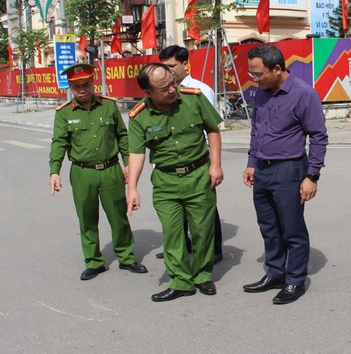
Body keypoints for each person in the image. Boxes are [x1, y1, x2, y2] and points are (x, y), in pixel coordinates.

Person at [126, 63, 223, 302]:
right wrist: (132, 189)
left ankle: (202, 276)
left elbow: (213, 130)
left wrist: (216, 164)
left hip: (199, 175)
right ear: (148, 93)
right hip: (166, 182)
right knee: (172, 233)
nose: (172, 89)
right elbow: (137, 154)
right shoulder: (139, 116)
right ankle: (181, 281)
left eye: (172, 82)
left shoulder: (194, 99)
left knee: (202, 231)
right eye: (164, 88)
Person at [242, 44, 328, 305]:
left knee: (291, 228)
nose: (254, 79)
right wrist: (251, 162)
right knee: (268, 226)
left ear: (277, 69)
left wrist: (312, 176)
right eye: (252, 74)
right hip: (263, 170)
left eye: (258, 74)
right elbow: (257, 130)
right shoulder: (262, 93)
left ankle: (295, 280)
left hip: (290, 169)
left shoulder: (303, 94)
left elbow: (319, 137)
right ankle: (276, 272)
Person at [48, 63, 147, 281]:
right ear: (71, 88)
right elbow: (59, 143)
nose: (81, 90)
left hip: (110, 170)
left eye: (85, 85)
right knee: (87, 219)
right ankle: (93, 262)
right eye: (76, 87)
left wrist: (128, 163)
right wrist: (54, 171)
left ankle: (126, 257)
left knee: (119, 216)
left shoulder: (109, 106)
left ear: (93, 83)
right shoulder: (64, 113)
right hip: (83, 173)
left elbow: (122, 136)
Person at [158, 45, 223, 264]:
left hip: (198, 158)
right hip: (174, 159)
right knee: (179, 205)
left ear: (185, 64)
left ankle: (213, 250)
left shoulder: (200, 90)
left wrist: (212, 162)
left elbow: (210, 128)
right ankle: (183, 245)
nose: (167, 71)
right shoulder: (163, 91)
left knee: (205, 208)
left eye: (171, 66)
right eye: (164, 67)